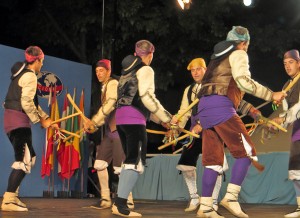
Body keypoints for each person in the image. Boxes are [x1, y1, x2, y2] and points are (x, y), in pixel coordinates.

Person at [193, 26, 287, 218]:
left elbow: (232, 93)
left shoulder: (216, 59)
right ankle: (231, 198)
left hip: (205, 109)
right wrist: (271, 95)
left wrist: (252, 110)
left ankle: (205, 207)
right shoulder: (239, 53)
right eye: (247, 46)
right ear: (244, 43)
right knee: (248, 153)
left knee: (213, 161)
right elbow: (244, 82)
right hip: (221, 108)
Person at [112, 40, 172, 217]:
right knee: (135, 161)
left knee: (130, 160)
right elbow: (146, 97)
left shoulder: (125, 73)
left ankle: (119, 202)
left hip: (122, 120)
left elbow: (138, 101)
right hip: (134, 122)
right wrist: (167, 116)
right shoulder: (145, 69)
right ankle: (120, 205)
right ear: (151, 54)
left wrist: (162, 121)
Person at [1, 46, 58, 212]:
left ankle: (13, 197)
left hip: (15, 121)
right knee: (23, 160)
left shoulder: (21, 73)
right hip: (18, 121)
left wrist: (46, 118)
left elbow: (31, 102)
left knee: (30, 158)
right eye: (42, 62)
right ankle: (8, 200)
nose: (42, 65)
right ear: (38, 60)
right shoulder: (30, 76)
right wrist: (39, 120)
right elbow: (26, 103)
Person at [174, 58, 226, 212]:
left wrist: (201, 124)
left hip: (213, 129)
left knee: (215, 165)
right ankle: (195, 198)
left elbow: (218, 110)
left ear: (205, 70)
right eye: (192, 70)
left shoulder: (214, 86)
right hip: (193, 132)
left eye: (198, 69)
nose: (195, 73)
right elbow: (184, 112)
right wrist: (176, 125)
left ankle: (213, 201)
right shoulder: (188, 90)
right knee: (186, 163)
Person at [84, 59, 134, 210]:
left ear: (108, 71)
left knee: (120, 168)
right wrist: (94, 125)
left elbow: (111, 103)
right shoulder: (103, 87)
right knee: (99, 164)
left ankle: (128, 199)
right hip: (109, 133)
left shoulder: (112, 84)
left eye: (101, 71)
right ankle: (105, 199)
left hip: (119, 131)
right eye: (97, 71)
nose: (99, 74)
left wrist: (94, 122)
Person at [270, 50, 300, 218]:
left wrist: (285, 118)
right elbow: (286, 114)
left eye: (291, 62)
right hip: (298, 130)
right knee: (296, 169)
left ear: (298, 63)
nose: (287, 66)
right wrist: (277, 123)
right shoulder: (285, 87)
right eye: (285, 63)